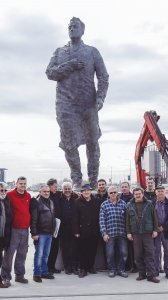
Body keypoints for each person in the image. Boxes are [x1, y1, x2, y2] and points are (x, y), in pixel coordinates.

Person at [46, 17, 109, 190]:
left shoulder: (92, 52)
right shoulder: (60, 52)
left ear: (83, 30)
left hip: (88, 103)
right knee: (69, 143)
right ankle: (77, 180)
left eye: (75, 27)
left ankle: (93, 181)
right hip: (65, 104)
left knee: (92, 141)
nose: (72, 29)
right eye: (69, 27)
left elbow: (103, 77)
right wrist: (70, 65)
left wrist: (100, 98)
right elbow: (50, 73)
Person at [1, 176, 31, 286]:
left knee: (22, 254)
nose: (23, 186)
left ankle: (19, 275)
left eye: (24, 184)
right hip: (13, 229)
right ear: (16, 184)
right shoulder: (9, 195)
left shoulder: (28, 195)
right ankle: (5, 276)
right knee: (9, 254)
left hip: (25, 229)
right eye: (21, 183)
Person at [126, 187, 160, 283]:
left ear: (142, 193)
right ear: (133, 195)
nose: (137, 195)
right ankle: (142, 274)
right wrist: (128, 232)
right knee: (138, 255)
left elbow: (155, 218)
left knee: (150, 254)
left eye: (139, 194)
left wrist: (155, 230)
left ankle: (151, 276)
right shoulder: (129, 205)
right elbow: (127, 220)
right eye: (136, 194)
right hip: (136, 234)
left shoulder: (149, 204)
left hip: (147, 233)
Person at [99, 186, 128, 278]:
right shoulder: (104, 205)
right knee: (110, 254)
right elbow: (102, 220)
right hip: (110, 234)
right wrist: (104, 233)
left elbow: (128, 219)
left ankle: (121, 269)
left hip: (122, 233)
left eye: (114, 192)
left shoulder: (123, 204)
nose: (113, 194)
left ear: (117, 193)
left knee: (124, 253)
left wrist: (129, 232)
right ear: (108, 194)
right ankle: (112, 269)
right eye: (111, 193)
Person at [73, 184, 100, 278]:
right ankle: (83, 269)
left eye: (88, 190)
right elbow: (75, 218)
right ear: (81, 192)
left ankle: (90, 267)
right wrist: (76, 231)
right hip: (82, 231)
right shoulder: (77, 202)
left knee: (92, 250)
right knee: (82, 251)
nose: (86, 192)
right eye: (84, 191)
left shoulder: (96, 201)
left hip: (94, 230)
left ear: (90, 191)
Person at [30, 184, 56, 283]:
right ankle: (36, 274)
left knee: (46, 255)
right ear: (40, 192)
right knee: (39, 255)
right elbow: (34, 220)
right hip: (40, 233)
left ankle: (44, 272)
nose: (46, 193)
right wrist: (34, 233)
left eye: (48, 191)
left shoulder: (51, 202)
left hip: (49, 233)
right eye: (44, 191)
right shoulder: (36, 203)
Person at [153, 185, 168, 280]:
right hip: (156, 232)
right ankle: (156, 270)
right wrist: (155, 228)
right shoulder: (152, 203)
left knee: (167, 252)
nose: (160, 193)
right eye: (158, 191)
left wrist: (163, 227)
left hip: (167, 232)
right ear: (156, 193)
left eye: (162, 191)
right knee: (156, 252)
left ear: (165, 192)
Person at [59, 182, 79, 275]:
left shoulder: (76, 198)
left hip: (74, 227)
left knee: (75, 248)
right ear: (62, 190)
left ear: (72, 189)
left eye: (69, 188)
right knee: (65, 248)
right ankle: (67, 267)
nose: (67, 190)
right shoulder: (59, 198)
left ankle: (74, 266)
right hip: (63, 228)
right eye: (65, 189)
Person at [119, 181, 136, 273]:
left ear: (129, 188)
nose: (124, 188)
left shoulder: (133, 198)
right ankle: (126, 265)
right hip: (122, 227)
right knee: (124, 249)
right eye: (123, 187)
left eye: (126, 186)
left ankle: (135, 266)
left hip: (131, 226)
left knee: (133, 248)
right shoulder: (119, 198)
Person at [46, 178, 62, 274]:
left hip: (57, 225)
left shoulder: (58, 194)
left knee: (55, 247)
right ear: (50, 186)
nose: (56, 188)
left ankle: (52, 266)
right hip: (48, 226)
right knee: (49, 248)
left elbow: (68, 193)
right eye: (55, 186)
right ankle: (47, 267)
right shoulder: (45, 195)